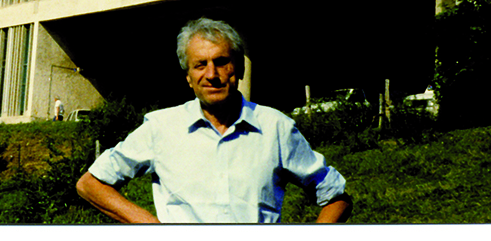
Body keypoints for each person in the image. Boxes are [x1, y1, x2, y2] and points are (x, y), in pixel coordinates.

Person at [76, 18, 352, 223]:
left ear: (240, 69)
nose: (212, 74)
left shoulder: (275, 127)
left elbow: (336, 197)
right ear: (188, 77)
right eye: (200, 65)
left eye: (222, 62)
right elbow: (91, 184)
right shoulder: (161, 127)